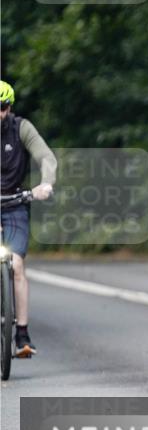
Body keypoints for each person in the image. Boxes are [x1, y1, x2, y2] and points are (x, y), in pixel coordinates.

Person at [0, 80, 57, 358]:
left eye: (2, 108)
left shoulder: (21, 128)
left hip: (14, 203)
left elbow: (46, 156)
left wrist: (45, 184)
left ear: (9, 108)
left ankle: (22, 333)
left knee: (17, 265)